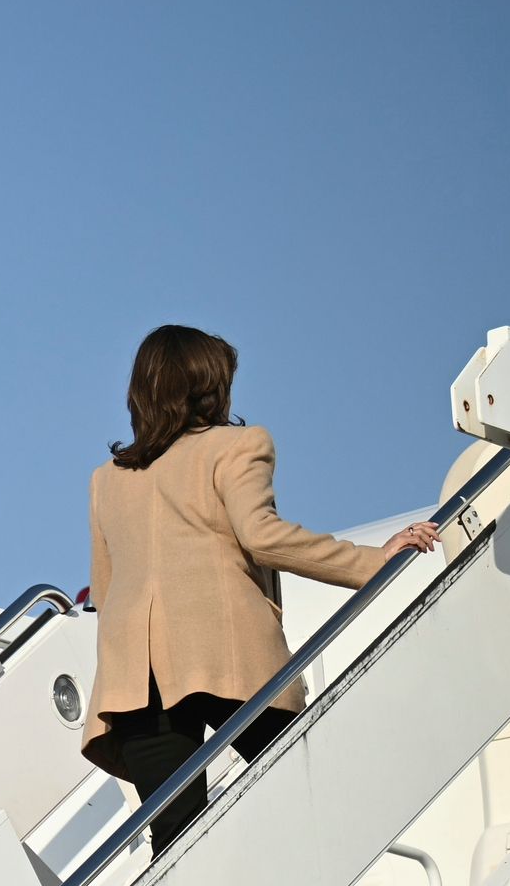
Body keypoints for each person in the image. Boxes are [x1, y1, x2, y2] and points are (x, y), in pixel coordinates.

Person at [84, 323, 442, 853]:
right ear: (210, 384)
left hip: (136, 676)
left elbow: (105, 591)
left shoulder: (108, 477)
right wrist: (371, 559)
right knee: (301, 793)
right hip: (225, 654)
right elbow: (262, 536)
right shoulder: (236, 446)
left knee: (177, 841)